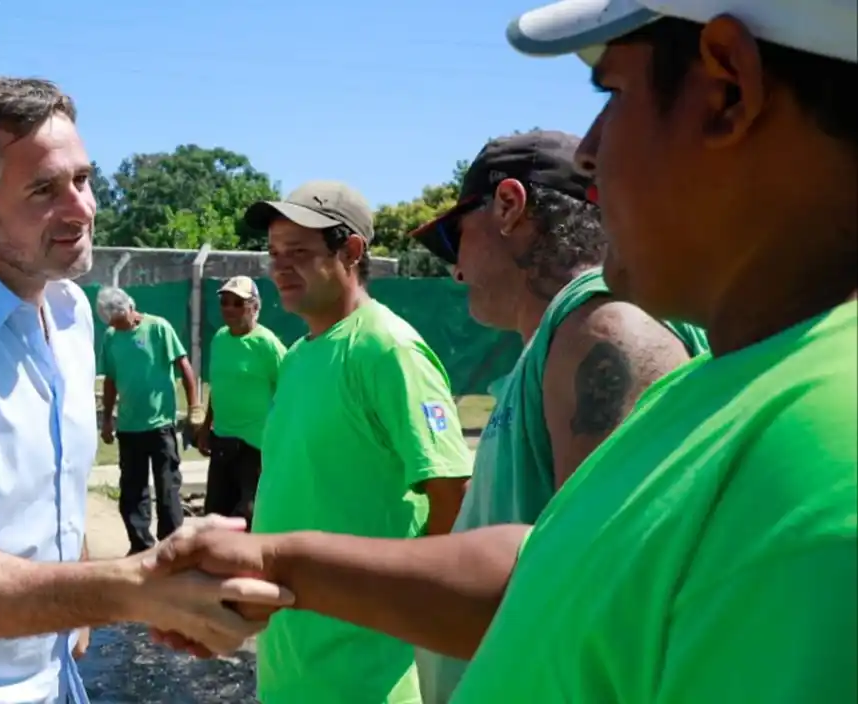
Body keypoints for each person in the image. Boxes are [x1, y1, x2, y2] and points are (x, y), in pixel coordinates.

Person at [151, 3, 857, 703]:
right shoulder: (728, 389)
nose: (590, 150)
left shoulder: (818, 449)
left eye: (613, 92)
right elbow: (553, 567)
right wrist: (274, 561)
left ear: (727, 89)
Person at [0, 77, 291, 704]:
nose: (81, 208)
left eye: (82, 178)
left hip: (49, 681)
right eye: (44, 189)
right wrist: (133, 586)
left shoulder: (70, 315)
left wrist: (78, 605)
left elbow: (55, 496)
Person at [407, 129, 708, 702]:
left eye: (453, 238)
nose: (454, 270)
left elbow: (607, 600)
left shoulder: (600, 327)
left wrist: (298, 570)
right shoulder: (561, 341)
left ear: (509, 205)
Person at [241, 181, 474, 703]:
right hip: (291, 661)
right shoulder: (298, 356)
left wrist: (407, 607)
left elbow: (451, 493)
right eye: (274, 254)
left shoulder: (387, 349)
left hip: (365, 675)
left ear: (350, 252)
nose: (279, 267)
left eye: (298, 253)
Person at [97, 287, 200, 554]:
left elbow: (184, 366)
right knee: (132, 492)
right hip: (129, 428)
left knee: (167, 489)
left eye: (120, 323)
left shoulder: (158, 328)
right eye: (112, 325)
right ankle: (140, 546)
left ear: (130, 309)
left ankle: (171, 547)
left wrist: (195, 407)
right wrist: (107, 419)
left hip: (160, 425)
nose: (117, 328)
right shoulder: (110, 337)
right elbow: (110, 380)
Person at [196, 275, 286, 527]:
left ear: (255, 307)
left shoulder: (267, 345)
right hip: (224, 441)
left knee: (248, 515)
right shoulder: (220, 339)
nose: (229, 309)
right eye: (225, 302)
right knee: (215, 513)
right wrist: (206, 426)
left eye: (238, 303)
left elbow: (289, 392)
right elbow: (220, 387)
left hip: (256, 445)